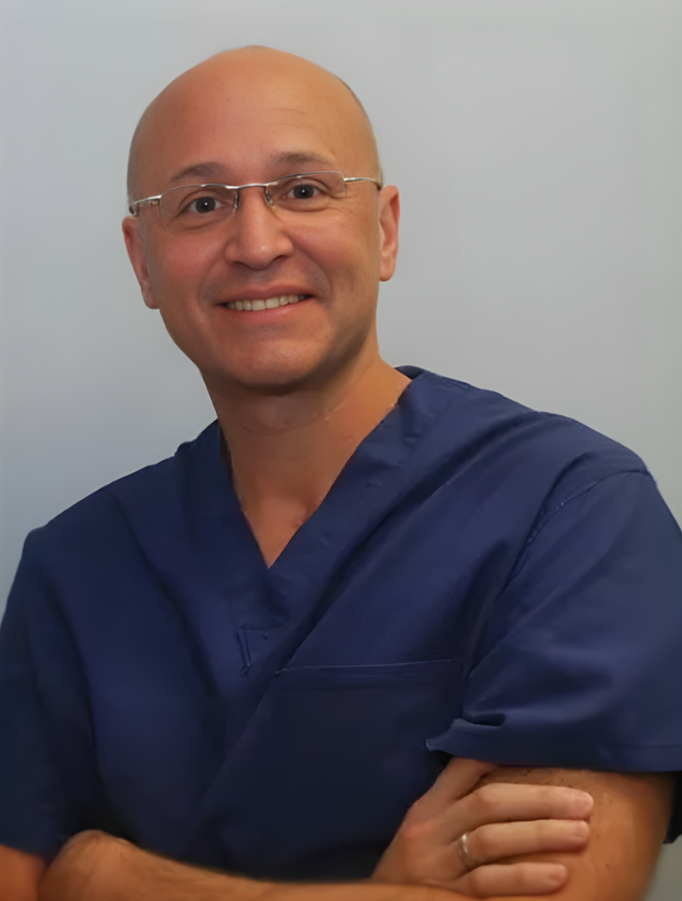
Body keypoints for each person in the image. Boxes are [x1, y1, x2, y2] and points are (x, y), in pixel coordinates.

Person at [1, 45, 682, 901]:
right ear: (144, 262)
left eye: (303, 190)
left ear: (384, 229)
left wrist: (106, 875)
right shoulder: (74, 568)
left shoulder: (575, 511)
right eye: (202, 203)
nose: (256, 243)